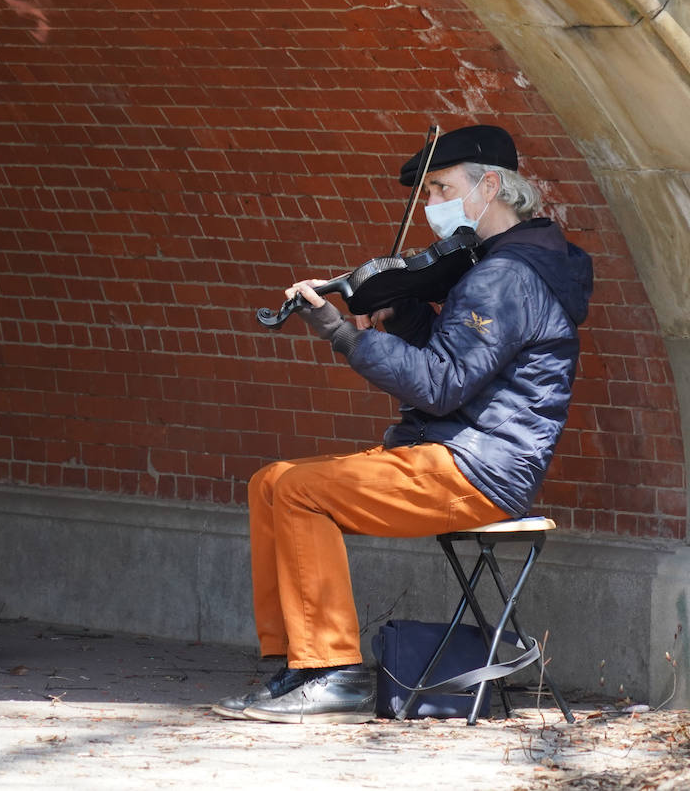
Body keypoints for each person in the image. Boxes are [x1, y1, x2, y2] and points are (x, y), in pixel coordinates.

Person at [213, 124, 593, 724]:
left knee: (296, 489)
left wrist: (343, 336)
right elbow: (469, 364)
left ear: (490, 185)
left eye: (442, 186)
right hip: (452, 451)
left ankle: (332, 671)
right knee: (270, 481)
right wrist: (412, 312)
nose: (432, 204)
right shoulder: (504, 266)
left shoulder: (507, 275)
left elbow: (441, 386)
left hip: (477, 467)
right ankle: (300, 663)